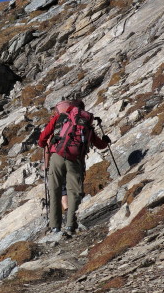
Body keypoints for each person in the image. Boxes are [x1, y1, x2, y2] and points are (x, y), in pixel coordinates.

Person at [38, 99, 110, 236]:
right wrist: (105, 141)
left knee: (55, 190)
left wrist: (50, 144)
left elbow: (41, 140)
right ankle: (71, 225)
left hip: (57, 157)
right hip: (75, 160)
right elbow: (99, 144)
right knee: (74, 192)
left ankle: (55, 227)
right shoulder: (85, 122)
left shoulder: (59, 118)